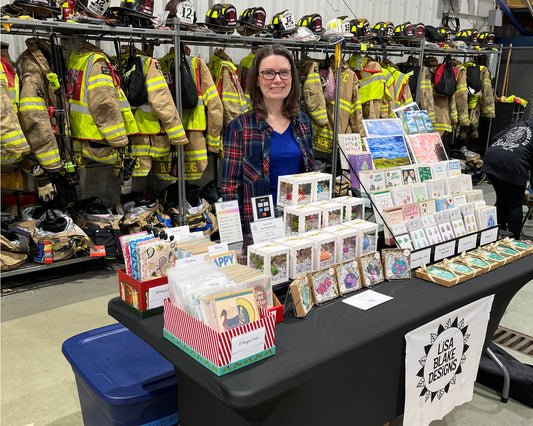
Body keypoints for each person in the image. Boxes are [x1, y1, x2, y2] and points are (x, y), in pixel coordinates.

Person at [221, 44, 314, 232]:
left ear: (292, 78)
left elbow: (311, 179)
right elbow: (230, 191)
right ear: (257, 79)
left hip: (299, 224)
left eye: (284, 73)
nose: (277, 80)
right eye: (268, 73)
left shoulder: (302, 123)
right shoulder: (240, 127)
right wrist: (236, 239)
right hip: (259, 229)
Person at [482, 120, 533, 239]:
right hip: (513, 163)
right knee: (515, 204)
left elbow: (495, 138)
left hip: (491, 158)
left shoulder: (521, 124)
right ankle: (514, 239)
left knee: (502, 199)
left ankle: (498, 233)